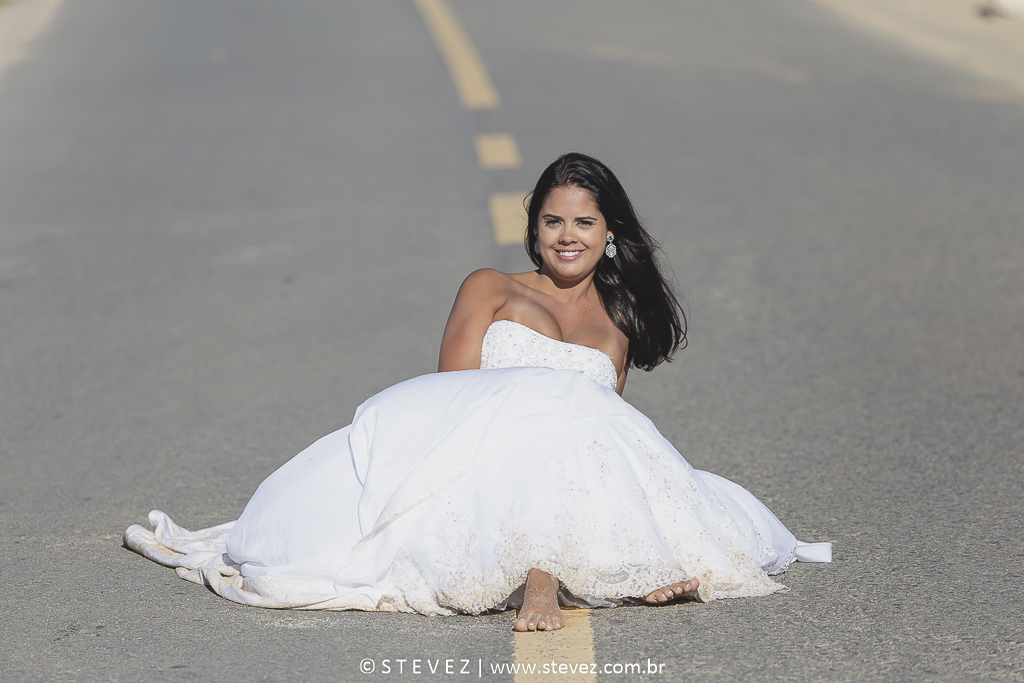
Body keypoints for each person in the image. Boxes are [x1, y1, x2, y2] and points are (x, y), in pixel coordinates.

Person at [125, 153, 830, 632]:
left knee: (585, 413)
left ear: (610, 233)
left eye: (584, 222)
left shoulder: (618, 325)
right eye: (553, 221)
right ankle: (545, 576)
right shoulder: (490, 288)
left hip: (560, 468)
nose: (567, 236)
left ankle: (616, 564)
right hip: (474, 456)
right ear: (534, 229)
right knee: (558, 401)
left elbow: (603, 439)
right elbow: (451, 397)